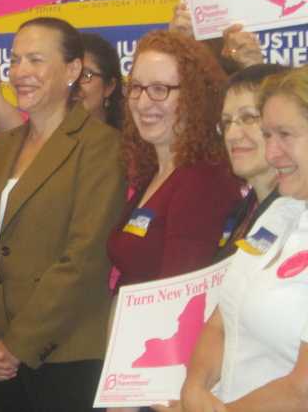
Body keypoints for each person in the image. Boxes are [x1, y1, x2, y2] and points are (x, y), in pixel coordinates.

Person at [0, 16, 126, 412]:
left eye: (35, 60)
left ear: (72, 71)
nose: (20, 72)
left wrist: (16, 346)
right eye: (14, 60)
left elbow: (83, 259)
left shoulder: (101, 146)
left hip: (63, 356)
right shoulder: (0, 147)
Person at [173, 66, 308, 411]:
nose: (272, 151)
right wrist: (195, 387)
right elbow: (222, 319)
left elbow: (302, 388)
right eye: (267, 134)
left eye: (285, 134)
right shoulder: (281, 214)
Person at [107, 30, 242, 293]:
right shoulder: (155, 173)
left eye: (160, 89)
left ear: (195, 96)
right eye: (136, 87)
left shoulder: (203, 181)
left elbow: (180, 297)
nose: (144, 102)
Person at [0, 0, 123, 132]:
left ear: (109, 87)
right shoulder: (37, 135)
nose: (75, 83)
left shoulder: (127, 146)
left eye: (85, 75)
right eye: (14, 60)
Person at [214, 63, 289, 261]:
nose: (232, 134)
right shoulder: (244, 209)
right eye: (227, 122)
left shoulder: (298, 212)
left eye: (248, 118)